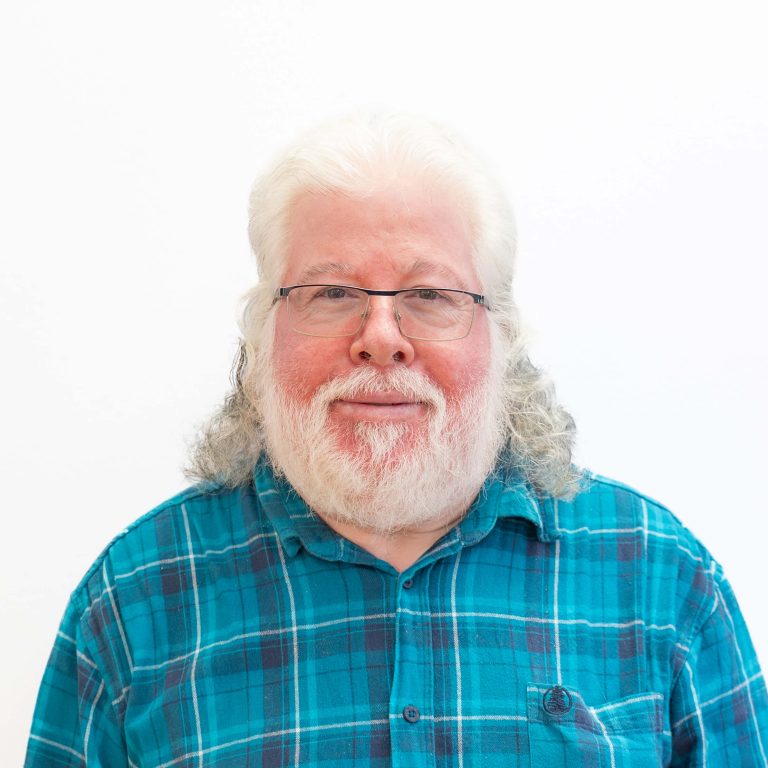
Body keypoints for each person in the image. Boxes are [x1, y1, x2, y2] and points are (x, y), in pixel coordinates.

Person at [25, 114, 767, 767]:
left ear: (501, 337)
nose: (381, 338)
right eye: (332, 293)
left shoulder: (662, 578)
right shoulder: (134, 600)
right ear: (262, 333)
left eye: (430, 295)